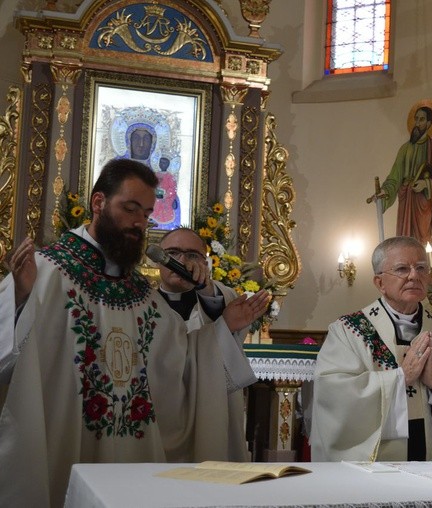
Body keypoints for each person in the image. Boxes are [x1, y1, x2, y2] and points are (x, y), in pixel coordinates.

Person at [0, 158, 265, 506]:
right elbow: (8, 358)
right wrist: (18, 298)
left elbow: (182, 360)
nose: (139, 222)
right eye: (130, 208)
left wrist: (223, 328)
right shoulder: (46, 271)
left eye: (147, 213)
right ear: (98, 203)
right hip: (62, 441)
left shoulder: (141, 295)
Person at [311, 236, 432, 462]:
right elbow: (333, 393)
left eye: (421, 268)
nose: (414, 275)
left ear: (429, 277)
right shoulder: (349, 330)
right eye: (401, 269)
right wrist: (399, 378)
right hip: (377, 466)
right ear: (379, 283)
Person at [156, 227, 271, 460]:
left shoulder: (220, 296)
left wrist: (204, 286)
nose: (182, 261)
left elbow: (224, 315)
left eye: (192, 255)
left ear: (206, 263)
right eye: (173, 253)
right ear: (159, 260)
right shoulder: (142, 304)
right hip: (161, 412)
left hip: (213, 407)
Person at [376, 101, 432, 245]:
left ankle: (425, 267)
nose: (417, 123)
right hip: (406, 200)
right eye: (416, 119)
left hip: (422, 203)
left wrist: (425, 184)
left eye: (421, 120)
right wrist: (385, 191)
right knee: (404, 240)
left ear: (428, 123)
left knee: (422, 241)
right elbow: (394, 177)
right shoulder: (404, 149)